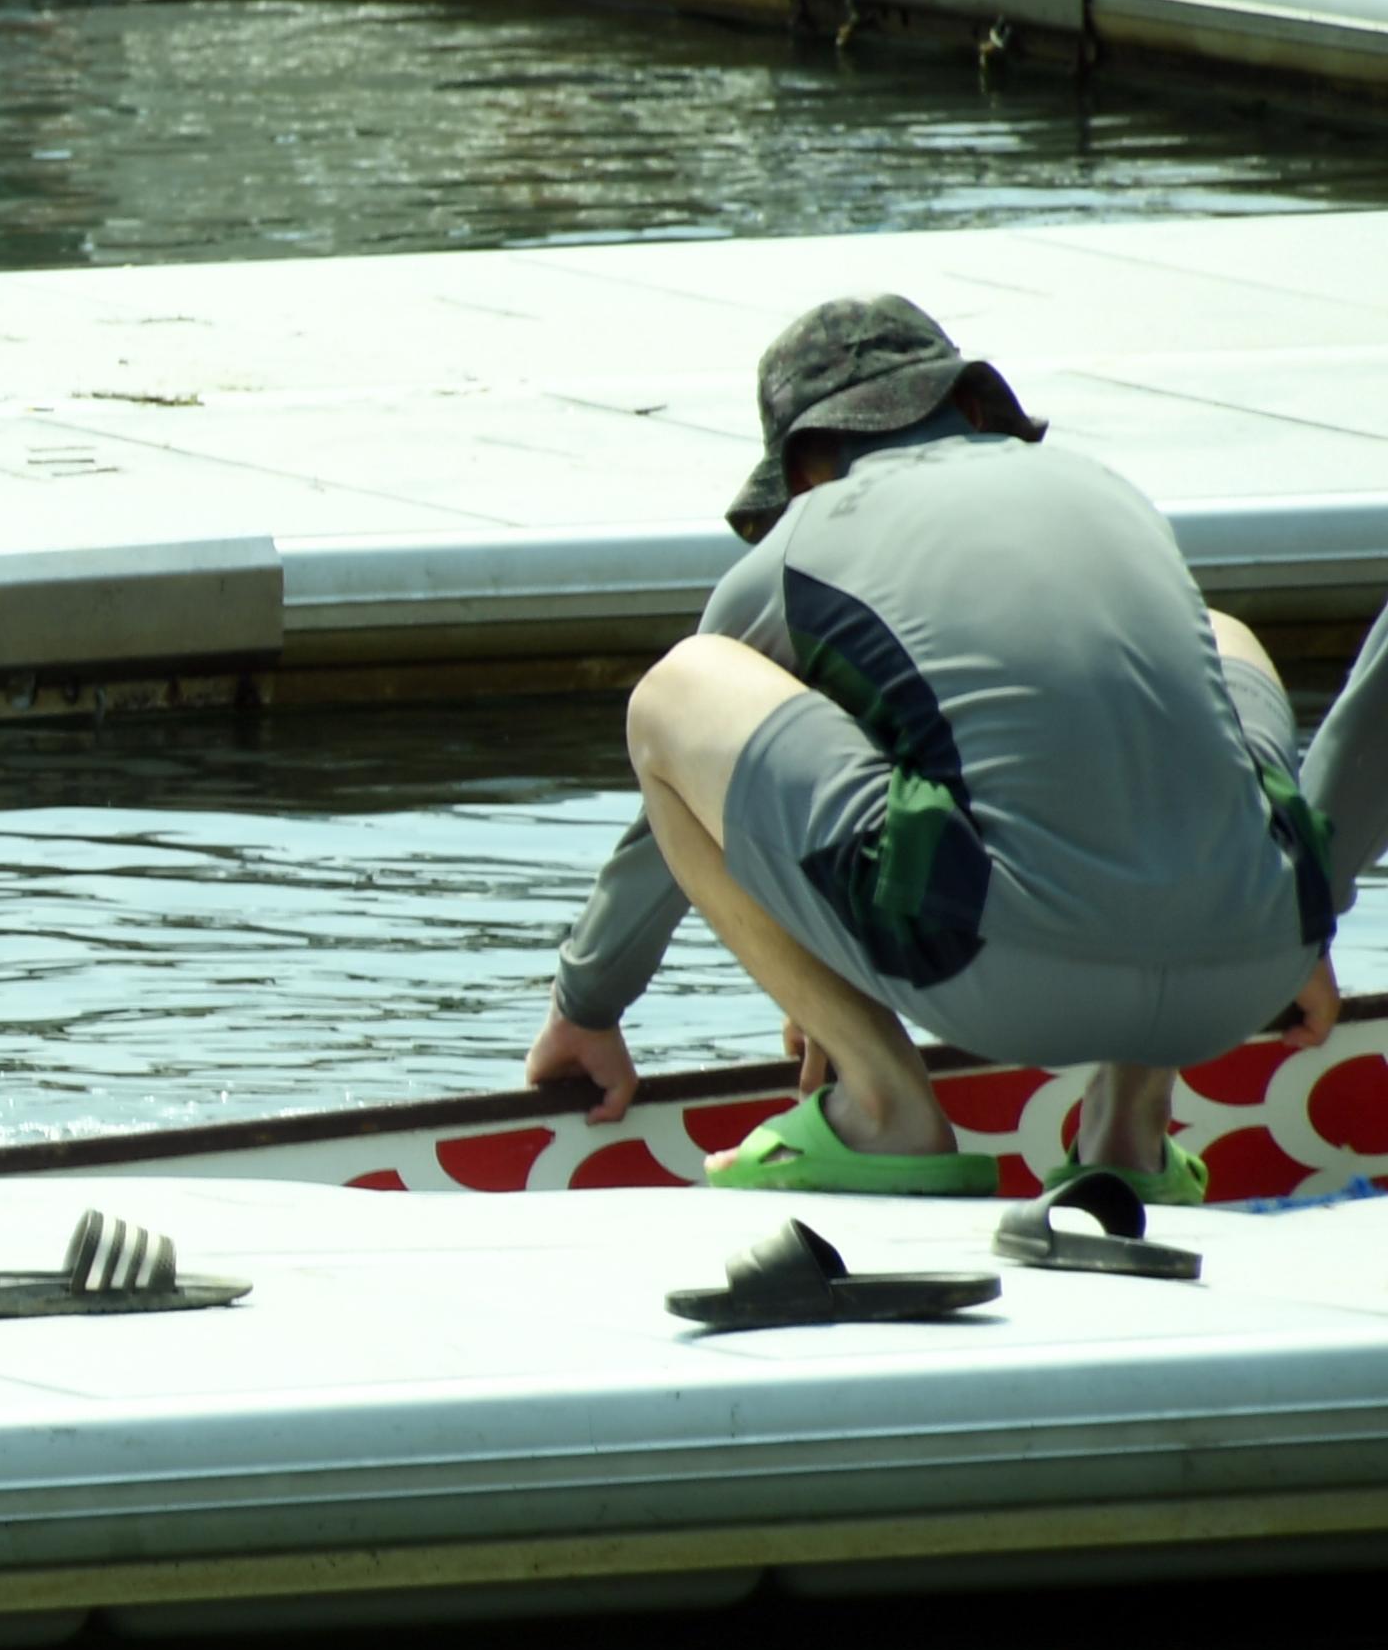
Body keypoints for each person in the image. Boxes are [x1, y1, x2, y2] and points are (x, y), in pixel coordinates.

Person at [524, 295, 1375, 1201]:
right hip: (1246, 975)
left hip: (996, 981)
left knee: (681, 690)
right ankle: (1131, 1135)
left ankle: (885, 1110)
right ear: (975, 411)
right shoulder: (1109, 494)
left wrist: (588, 1002)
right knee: (1217, 639)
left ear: (806, 468)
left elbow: (689, 798)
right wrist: (1299, 925)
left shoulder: (803, 543)